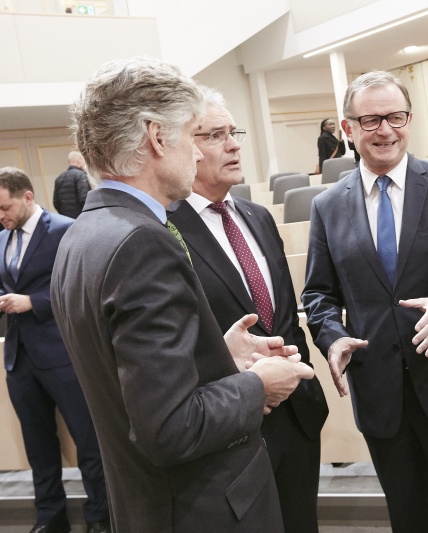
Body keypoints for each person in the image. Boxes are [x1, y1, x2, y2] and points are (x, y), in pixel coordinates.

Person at [50, 57, 315, 532]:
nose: (196, 154)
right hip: (201, 508)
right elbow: (171, 427)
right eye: (194, 135)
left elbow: (132, 383)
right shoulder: (143, 243)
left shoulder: (82, 234)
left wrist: (217, 355)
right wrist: (259, 384)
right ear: (157, 137)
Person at [302, 71, 428, 532]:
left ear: (409, 119)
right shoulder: (327, 206)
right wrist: (332, 337)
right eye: (371, 120)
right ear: (347, 127)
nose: (386, 130)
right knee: (410, 523)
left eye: (396, 117)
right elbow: (318, 293)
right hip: (380, 394)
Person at [169, 86, 329, 532]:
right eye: (214, 135)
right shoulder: (164, 230)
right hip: (233, 427)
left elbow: (286, 316)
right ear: (184, 146)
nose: (234, 145)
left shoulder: (257, 216)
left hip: (297, 416)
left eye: (233, 132)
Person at [0, 167, 109, 533]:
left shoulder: (65, 229)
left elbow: (81, 287)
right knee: (38, 446)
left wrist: (33, 302)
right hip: (19, 359)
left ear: (27, 196)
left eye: (5, 207)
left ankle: (99, 517)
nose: (1, 216)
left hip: (62, 353)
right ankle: (50, 517)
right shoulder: (2, 239)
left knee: (88, 441)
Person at [52, 151, 90, 219]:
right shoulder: (80, 175)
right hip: (81, 218)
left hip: (66, 219)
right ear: (79, 160)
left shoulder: (59, 178)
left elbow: (56, 202)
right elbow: (84, 199)